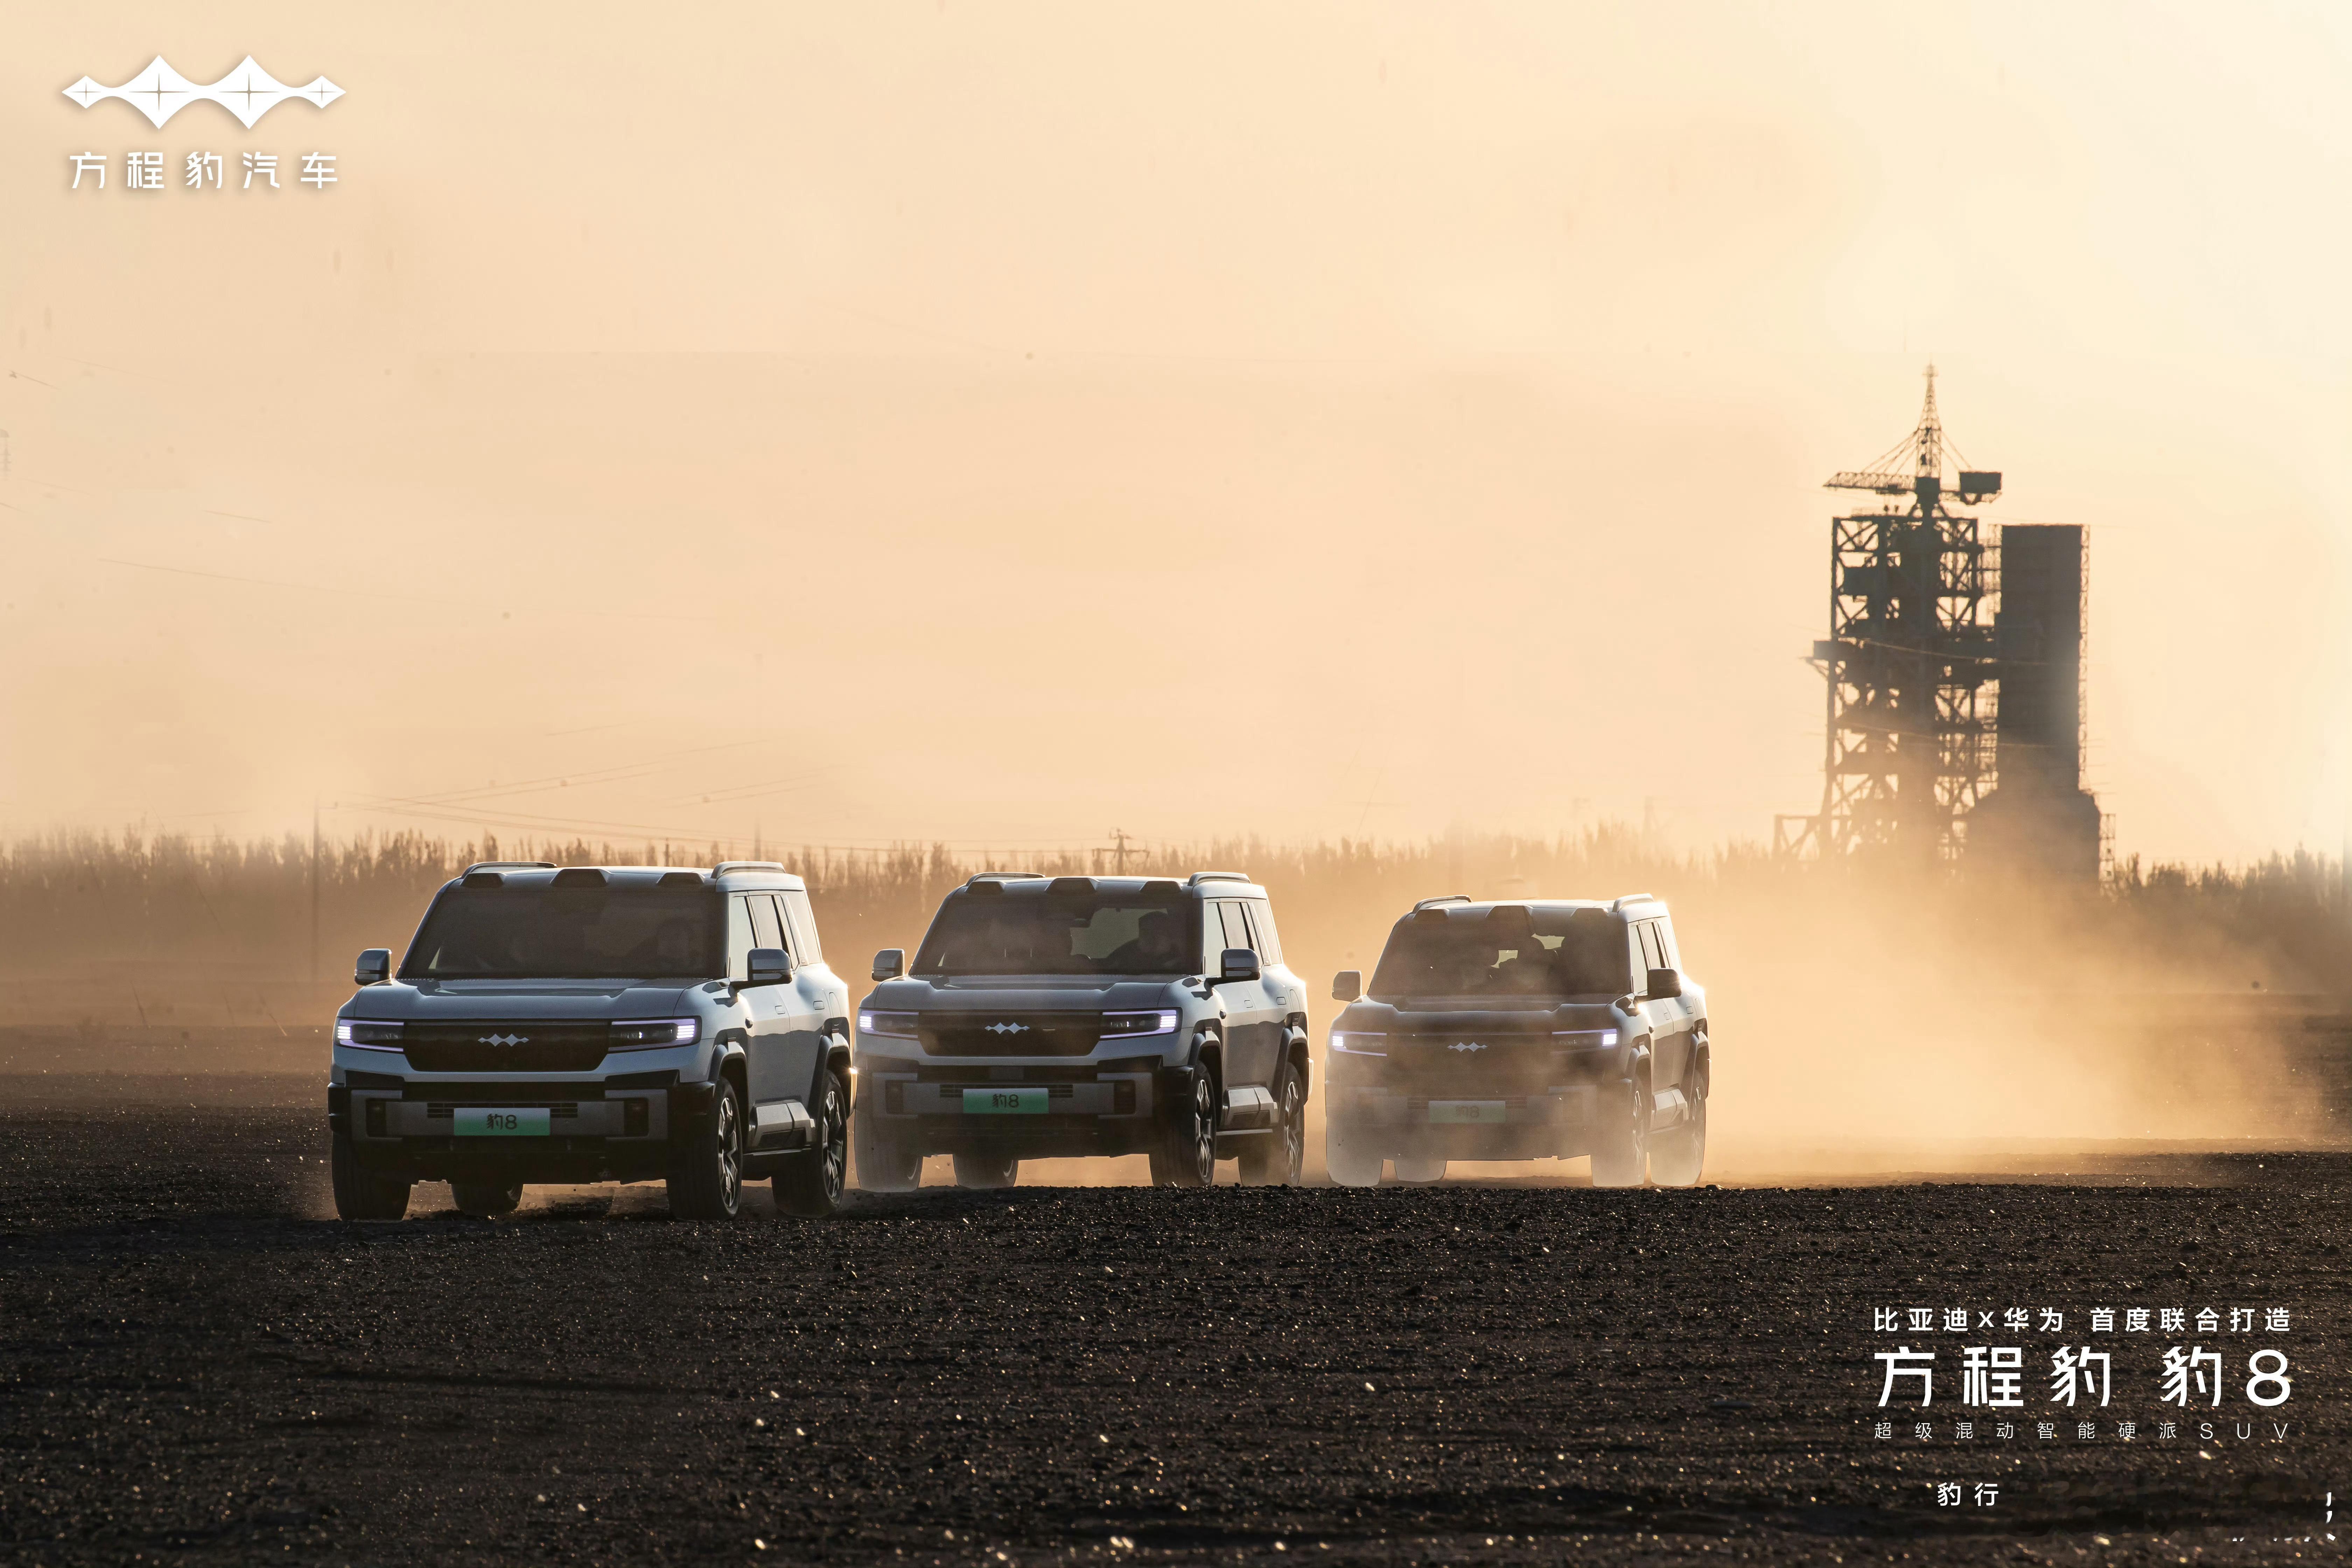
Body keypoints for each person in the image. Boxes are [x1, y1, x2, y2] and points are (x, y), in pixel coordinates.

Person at [1104, 908, 1186, 972]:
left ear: (1171, 937)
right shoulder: (1126, 954)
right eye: (1145, 932)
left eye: (1158, 932)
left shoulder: (1186, 963)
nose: (1151, 937)